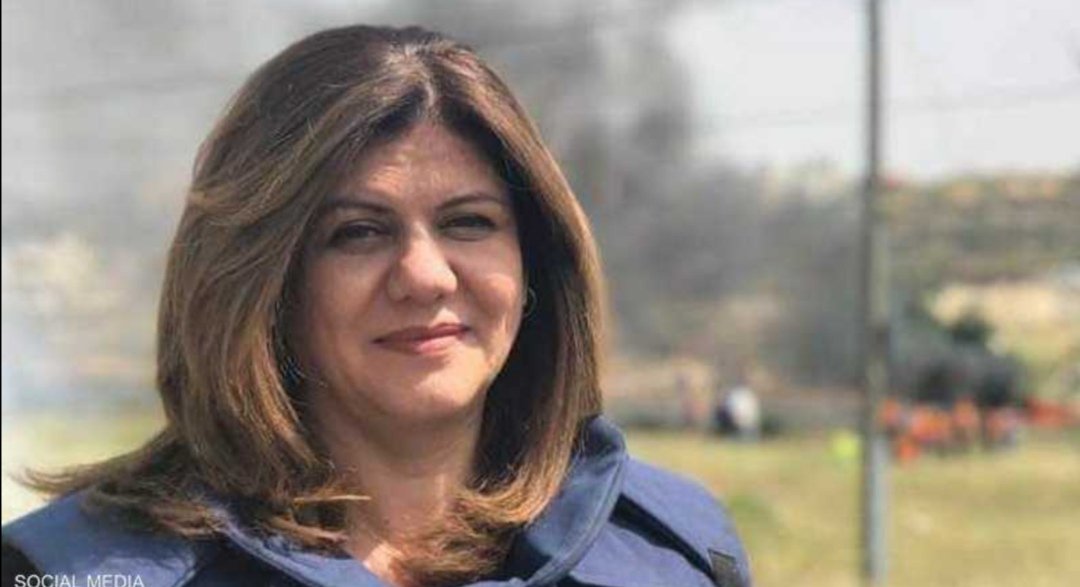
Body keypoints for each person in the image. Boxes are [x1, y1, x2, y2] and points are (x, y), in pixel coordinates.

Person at [1, 25, 751, 587]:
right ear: (260, 282)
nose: (424, 276)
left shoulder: (677, 553)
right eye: (358, 232)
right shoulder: (68, 571)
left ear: (535, 264)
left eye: (469, 222)